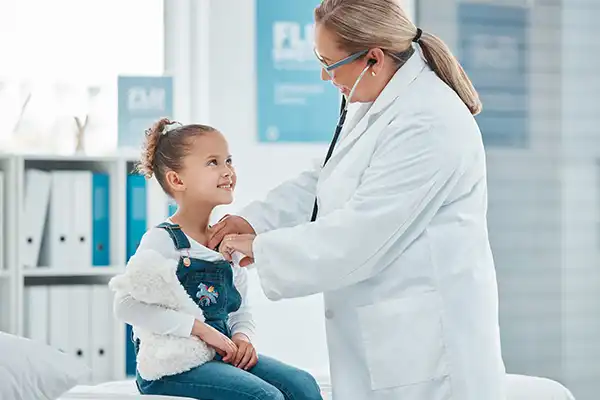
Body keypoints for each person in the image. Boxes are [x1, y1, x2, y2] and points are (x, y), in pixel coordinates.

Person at [209, 0, 507, 399]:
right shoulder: (380, 99)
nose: (323, 75)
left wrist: (262, 249)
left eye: (329, 63)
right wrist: (256, 221)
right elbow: (329, 178)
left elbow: (362, 235)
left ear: (373, 58)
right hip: (392, 342)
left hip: (430, 354)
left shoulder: (430, 121)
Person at [113, 118, 323, 400]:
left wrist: (242, 338)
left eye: (229, 161)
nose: (228, 171)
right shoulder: (163, 240)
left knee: (303, 385)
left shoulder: (227, 243)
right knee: (265, 396)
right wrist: (200, 331)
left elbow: (239, 310)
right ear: (177, 179)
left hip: (218, 356)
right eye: (213, 162)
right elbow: (126, 305)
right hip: (172, 364)